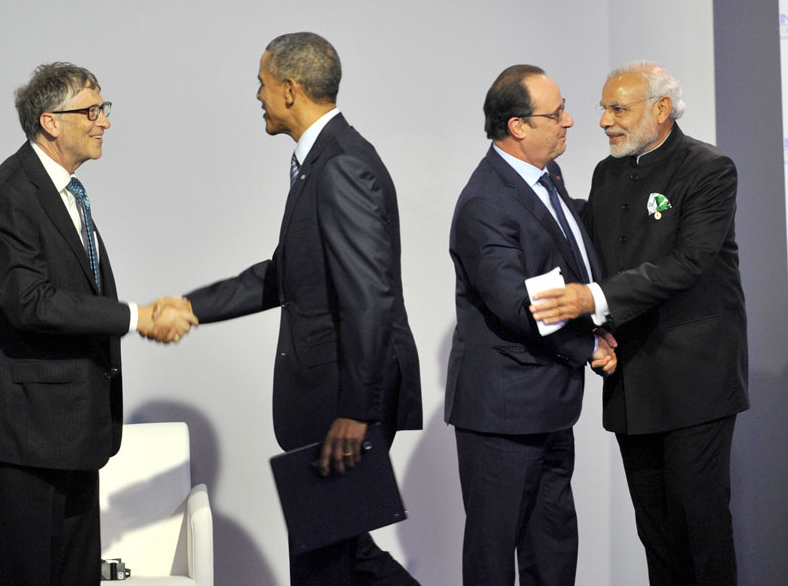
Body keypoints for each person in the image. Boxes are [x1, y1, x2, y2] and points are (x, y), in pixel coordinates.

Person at [183, 32, 422, 585]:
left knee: (325, 564)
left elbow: (369, 299)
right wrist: (189, 307)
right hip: (337, 401)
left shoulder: (340, 167)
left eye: (262, 84)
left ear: (290, 89)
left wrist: (356, 412)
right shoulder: (322, 161)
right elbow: (283, 274)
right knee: (342, 557)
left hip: (342, 405)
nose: (258, 96)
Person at [0, 62, 197, 585]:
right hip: (21, 433)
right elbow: (31, 302)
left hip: (69, 429)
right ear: (50, 121)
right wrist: (136, 316)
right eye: (91, 110)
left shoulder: (66, 193)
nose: (104, 121)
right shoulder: (10, 195)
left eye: (103, 108)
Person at [530, 61, 749, 584]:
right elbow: (595, 248)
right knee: (655, 532)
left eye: (618, 108)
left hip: (696, 382)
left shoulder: (708, 170)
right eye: (605, 107)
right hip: (633, 381)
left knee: (700, 526)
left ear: (661, 109)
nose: (603, 120)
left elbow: (687, 264)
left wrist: (594, 298)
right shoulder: (608, 172)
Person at [445, 64, 617, 585]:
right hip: (502, 413)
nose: (569, 121)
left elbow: (568, 248)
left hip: (546, 404)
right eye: (556, 112)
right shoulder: (484, 202)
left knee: (554, 546)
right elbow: (518, 304)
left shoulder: (547, 176)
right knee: (494, 557)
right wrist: (588, 346)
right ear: (518, 126)